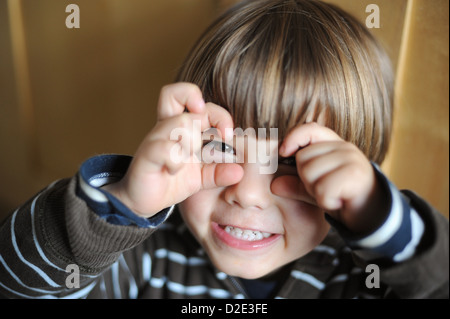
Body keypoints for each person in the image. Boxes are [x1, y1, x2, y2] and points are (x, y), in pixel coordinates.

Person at [0, 0, 448, 299]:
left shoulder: (365, 277)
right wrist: (125, 204)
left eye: (288, 162)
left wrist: (379, 216)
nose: (247, 193)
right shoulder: (143, 256)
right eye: (218, 147)